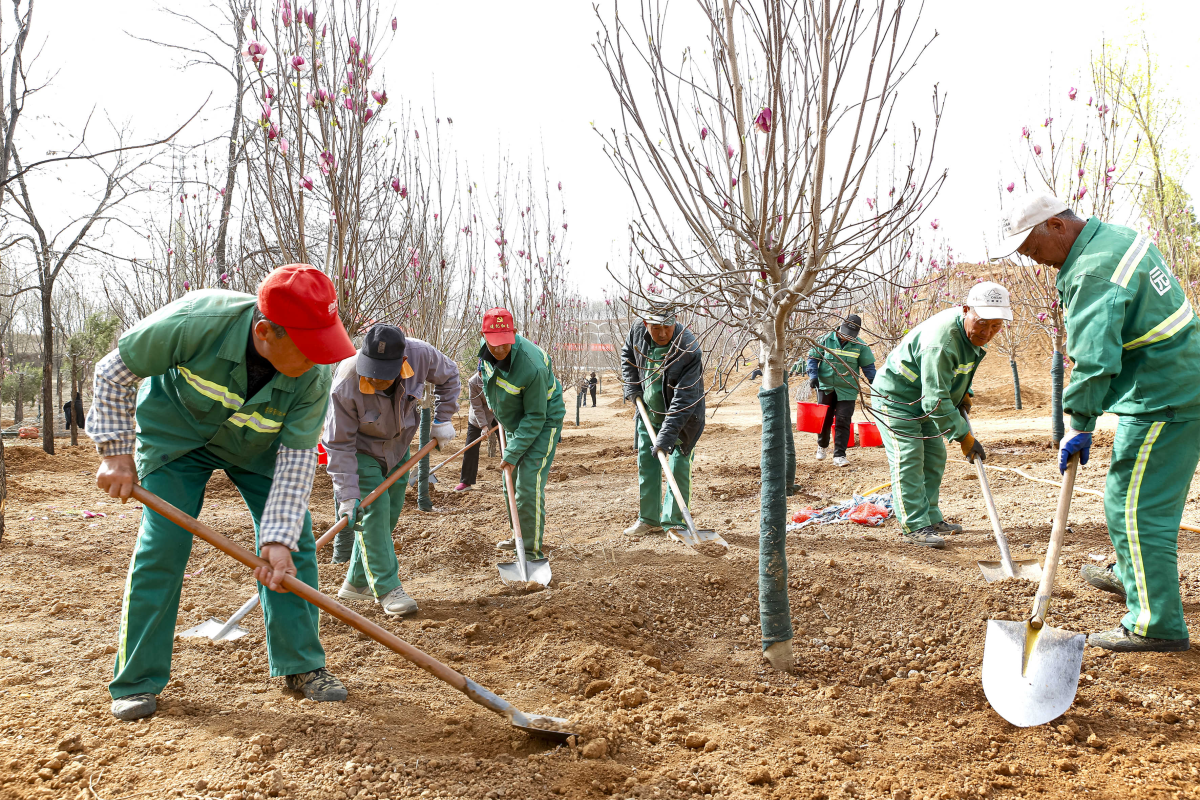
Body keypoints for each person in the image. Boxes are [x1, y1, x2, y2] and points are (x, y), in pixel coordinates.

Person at [86, 264, 356, 721]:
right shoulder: (195, 322)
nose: (320, 360)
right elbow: (113, 372)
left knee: (295, 547)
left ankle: (302, 666)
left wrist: (277, 538)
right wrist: (115, 452)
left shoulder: (312, 378)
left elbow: (295, 461)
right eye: (310, 348)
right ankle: (137, 680)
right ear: (266, 332)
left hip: (258, 449)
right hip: (178, 441)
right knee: (163, 546)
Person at [1002, 193, 1200, 652]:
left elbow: (1094, 361)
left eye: (1033, 249)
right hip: (1178, 377)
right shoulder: (1115, 237)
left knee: (1134, 507)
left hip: (1163, 394)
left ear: (1055, 225)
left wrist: (1079, 423)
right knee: (1137, 500)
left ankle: (1155, 624)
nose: (1036, 262)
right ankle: (1132, 573)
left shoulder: (1092, 271)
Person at [321, 324, 460, 616]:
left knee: (389, 515)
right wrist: (348, 495)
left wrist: (443, 418)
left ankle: (357, 583)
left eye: (383, 374)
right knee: (374, 511)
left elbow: (451, 376)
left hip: (398, 448)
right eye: (370, 370)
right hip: (361, 452)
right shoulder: (346, 382)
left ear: (402, 364)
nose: (374, 379)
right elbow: (338, 444)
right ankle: (387, 589)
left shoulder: (421, 355)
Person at [870, 283, 1010, 548]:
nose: (987, 332)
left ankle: (931, 517)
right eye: (982, 323)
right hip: (897, 398)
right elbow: (935, 399)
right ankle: (914, 525)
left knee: (934, 456)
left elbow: (956, 371)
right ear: (966, 310)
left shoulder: (969, 334)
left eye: (996, 326)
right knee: (909, 456)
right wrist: (963, 436)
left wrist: (964, 391)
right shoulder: (942, 341)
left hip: (924, 397)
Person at [477, 307, 565, 558]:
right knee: (510, 482)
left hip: (543, 420)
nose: (500, 349)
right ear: (484, 336)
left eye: (505, 343)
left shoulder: (531, 366)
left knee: (528, 483)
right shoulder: (485, 356)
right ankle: (519, 534)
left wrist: (513, 451)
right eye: (494, 344)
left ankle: (529, 551)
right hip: (517, 421)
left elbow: (536, 416)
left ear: (514, 333)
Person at [620, 304, 706, 537]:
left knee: (677, 466)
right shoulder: (638, 331)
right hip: (648, 411)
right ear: (646, 324)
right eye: (655, 327)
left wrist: (666, 437)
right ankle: (649, 519)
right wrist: (632, 388)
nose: (661, 333)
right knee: (647, 465)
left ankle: (675, 522)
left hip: (683, 417)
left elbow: (684, 399)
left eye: (667, 327)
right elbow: (627, 355)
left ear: (675, 321)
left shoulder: (688, 348)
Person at [806, 314, 876, 467]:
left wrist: (875, 383)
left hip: (847, 389)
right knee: (824, 419)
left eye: (851, 336)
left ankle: (839, 455)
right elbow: (812, 359)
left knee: (843, 420)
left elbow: (869, 368)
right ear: (840, 327)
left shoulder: (861, 346)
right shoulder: (824, 340)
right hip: (825, 387)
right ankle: (822, 445)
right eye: (845, 334)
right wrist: (813, 376)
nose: (846, 338)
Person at [456, 369, 493, 492]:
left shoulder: (498, 377)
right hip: (478, 418)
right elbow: (477, 406)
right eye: (482, 372)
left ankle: (514, 479)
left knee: (509, 445)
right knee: (471, 448)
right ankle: (466, 482)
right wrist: (483, 426)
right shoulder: (473, 382)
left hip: (498, 415)